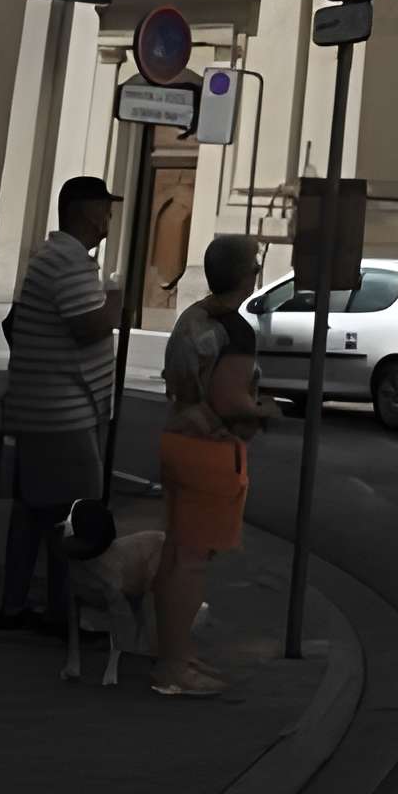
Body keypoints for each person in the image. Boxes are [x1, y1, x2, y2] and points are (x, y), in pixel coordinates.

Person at [0, 174, 121, 635]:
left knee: (35, 509)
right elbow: (87, 326)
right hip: (61, 412)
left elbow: (15, 325)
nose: (109, 217)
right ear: (88, 212)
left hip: (43, 407)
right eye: (105, 209)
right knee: (74, 513)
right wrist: (115, 303)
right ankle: (61, 613)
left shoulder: (51, 258)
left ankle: (15, 606)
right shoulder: (68, 262)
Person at [153, 233, 271, 697]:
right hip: (210, 451)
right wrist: (266, 411)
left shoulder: (192, 316)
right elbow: (231, 401)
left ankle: (175, 653)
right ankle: (173, 669)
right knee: (192, 563)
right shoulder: (234, 330)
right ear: (246, 277)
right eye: (255, 266)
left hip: (177, 440)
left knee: (175, 556)